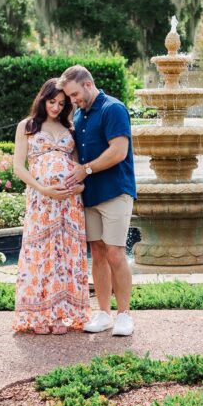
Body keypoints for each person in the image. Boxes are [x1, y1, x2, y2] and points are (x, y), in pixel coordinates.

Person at [59, 65, 137, 337]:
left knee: (115, 253)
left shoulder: (113, 109)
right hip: (90, 195)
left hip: (115, 191)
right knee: (99, 254)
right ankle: (103, 313)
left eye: (75, 94)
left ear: (88, 84)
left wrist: (86, 169)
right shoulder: (79, 115)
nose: (72, 100)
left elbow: (118, 152)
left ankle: (124, 315)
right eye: (69, 97)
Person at [10, 78, 91, 335]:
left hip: (69, 204)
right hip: (42, 201)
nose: (56, 107)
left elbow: (79, 168)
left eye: (61, 103)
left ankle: (62, 314)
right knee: (40, 253)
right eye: (52, 101)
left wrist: (79, 188)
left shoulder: (70, 128)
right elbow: (18, 167)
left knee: (64, 256)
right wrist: (43, 188)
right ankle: (38, 315)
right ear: (42, 99)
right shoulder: (28, 126)